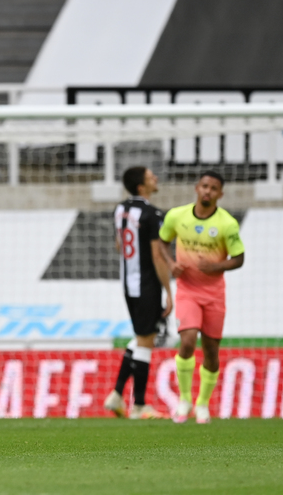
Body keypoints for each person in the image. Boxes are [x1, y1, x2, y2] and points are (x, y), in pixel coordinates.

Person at [156, 170, 244, 424]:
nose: (208, 191)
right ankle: (184, 400)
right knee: (187, 341)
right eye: (205, 186)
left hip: (214, 294)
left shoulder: (227, 224)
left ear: (220, 194)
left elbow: (239, 259)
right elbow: (162, 241)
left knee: (211, 352)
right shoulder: (177, 216)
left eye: (213, 188)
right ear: (197, 188)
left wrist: (215, 266)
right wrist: (171, 263)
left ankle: (202, 404)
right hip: (187, 290)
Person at [104, 166, 173, 420]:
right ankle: (140, 405)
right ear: (142, 187)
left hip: (127, 283)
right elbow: (157, 256)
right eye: (151, 176)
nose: (156, 178)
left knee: (142, 337)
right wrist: (168, 291)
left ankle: (116, 394)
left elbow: (119, 244)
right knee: (146, 341)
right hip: (146, 284)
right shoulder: (152, 214)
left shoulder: (120, 209)